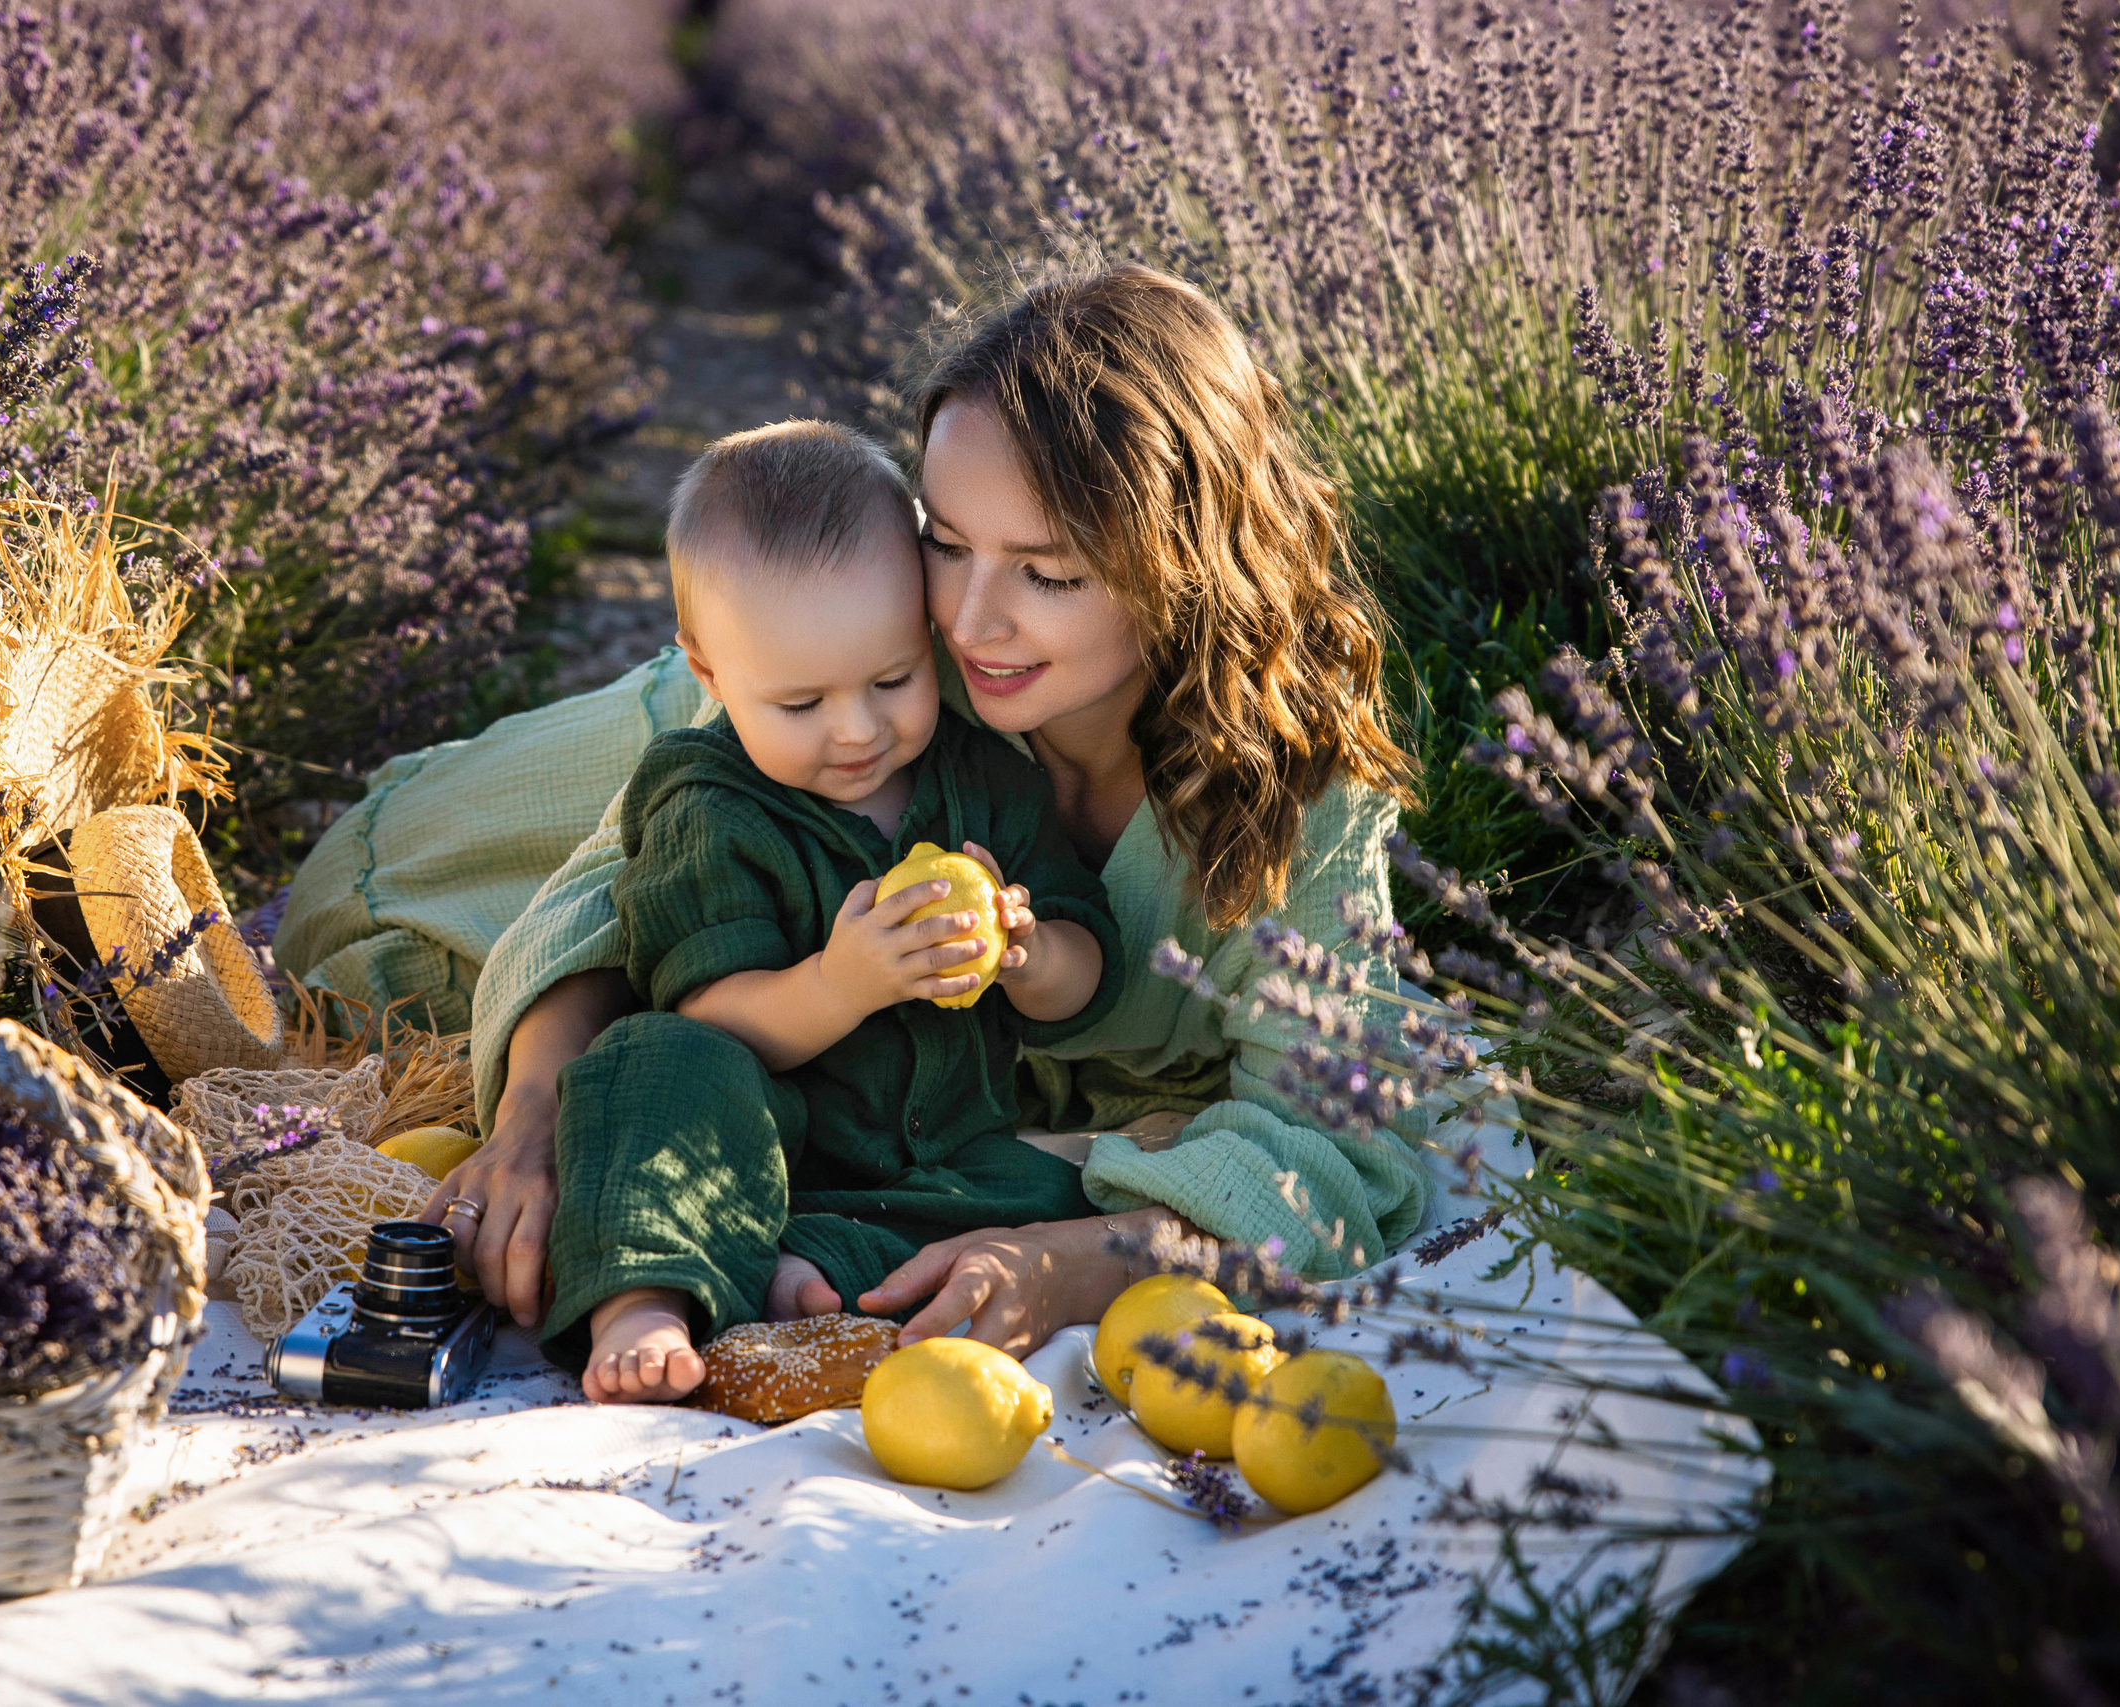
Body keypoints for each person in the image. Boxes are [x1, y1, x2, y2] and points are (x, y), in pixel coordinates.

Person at [272, 261, 1434, 1360]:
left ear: (1191, 564)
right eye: (943, 539)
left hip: (906, 1097)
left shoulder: (1301, 801)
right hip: (693, 742)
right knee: (373, 921)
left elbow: (1337, 1147)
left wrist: (1088, 1261)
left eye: (1051, 573)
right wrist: (532, 1112)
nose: (972, 622)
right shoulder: (881, 666)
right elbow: (599, 896)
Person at [548, 420, 1119, 1403]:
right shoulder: (710, 804)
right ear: (709, 672)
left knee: (1066, 1193)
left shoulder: (983, 778)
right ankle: (644, 1299)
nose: (857, 730)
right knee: (643, 1069)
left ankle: (786, 1276)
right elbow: (710, 1016)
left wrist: (1026, 953)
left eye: (893, 680)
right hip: (762, 1144)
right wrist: (838, 985)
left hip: (944, 1162)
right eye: (801, 703)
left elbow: (1085, 973)